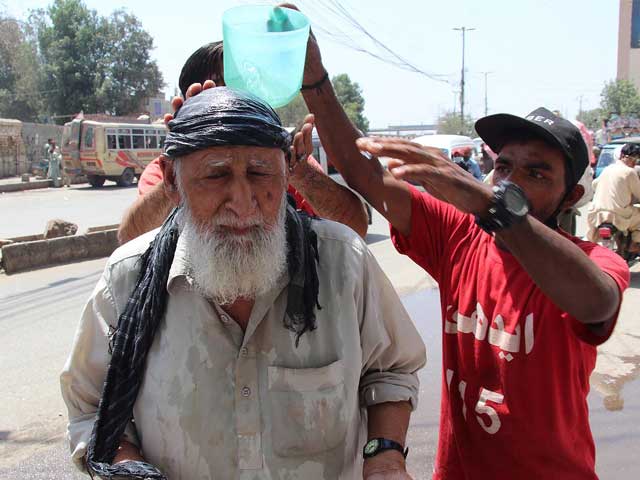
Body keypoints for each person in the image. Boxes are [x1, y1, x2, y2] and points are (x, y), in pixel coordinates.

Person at [300, 38, 629, 477]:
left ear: (570, 197)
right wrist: (314, 80)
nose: (509, 182)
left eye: (536, 173)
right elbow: (362, 172)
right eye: (504, 166)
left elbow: (597, 302)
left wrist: (489, 204)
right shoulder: (458, 234)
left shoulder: (590, 262)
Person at [61, 87, 426, 480]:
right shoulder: (129, 279)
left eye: (259, 172)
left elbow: (391, 370)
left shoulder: (343, 262)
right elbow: (92, 407)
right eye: (216, 175)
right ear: (171, 180)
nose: (242, 200)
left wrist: (385, 458)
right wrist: (125, 464)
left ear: (286, 171)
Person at [118, 41, 369, 244]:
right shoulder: (169, 172)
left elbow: (355, 228)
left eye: (242, 92)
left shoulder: (284, 162)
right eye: (219, 92)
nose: (241, 204)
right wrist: (184, 157)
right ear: (189, 105)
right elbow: (132, 239)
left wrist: (300, 174)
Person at [587, 142, 640, 252]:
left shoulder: (608, 169)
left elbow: (594, 184)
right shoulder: (630, 172)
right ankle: (634, 244)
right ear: (623, 156)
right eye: (633, 159)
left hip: (597, 214)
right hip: (618, 214)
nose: (634, 163)